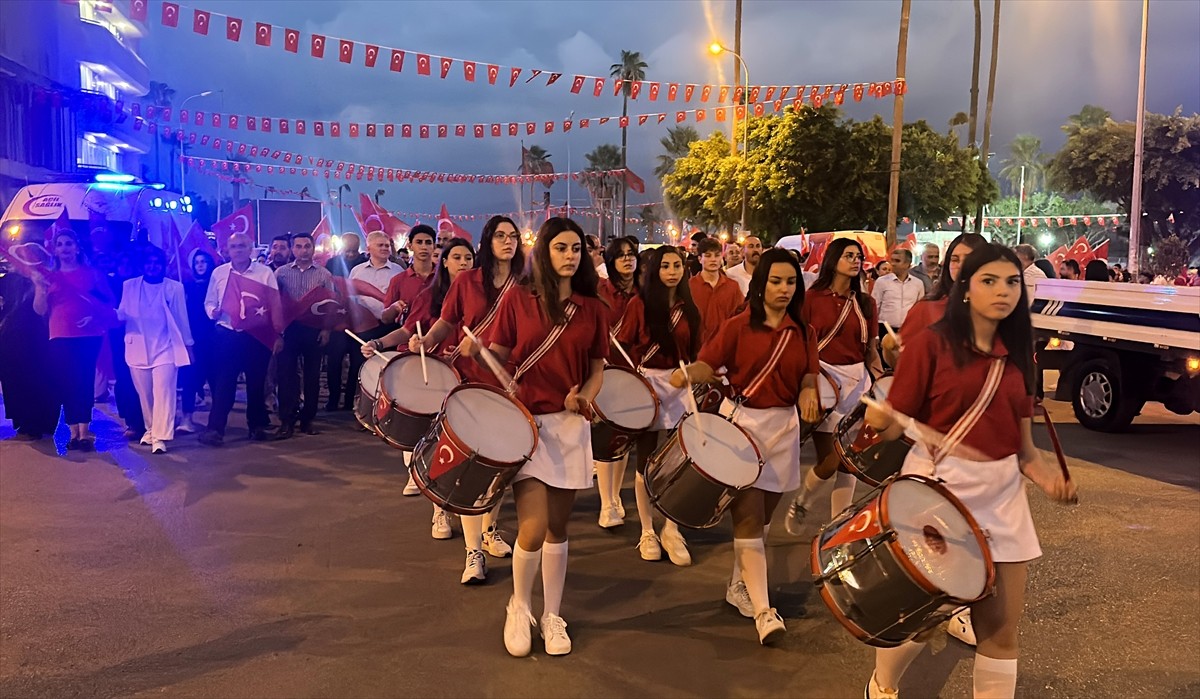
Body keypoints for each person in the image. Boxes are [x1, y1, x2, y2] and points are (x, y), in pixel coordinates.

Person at [861, 243, 1075, 699]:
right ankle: (882, 686)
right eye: (989, 281)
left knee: (1000, 631)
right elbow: (890, 426)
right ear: (965, 289)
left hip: (1002, 499)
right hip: (938, 492)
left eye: (1012, 281)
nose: (1003, 290)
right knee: (923, 617)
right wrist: (881, 420)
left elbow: (1025, 453)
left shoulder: (1019, 355)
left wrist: (1048, 481)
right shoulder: (931, 344)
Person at [672, 248, 821, 644]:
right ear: (760, 284)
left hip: (783, 431)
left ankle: (739, 584)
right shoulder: (738, 326)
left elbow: (809, 374)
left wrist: (810, 392)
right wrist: (688, 373)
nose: (784, 289)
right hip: (743, 426)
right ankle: (763, 610)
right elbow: (708, 363)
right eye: (776, 281)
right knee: (749, 518)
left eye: (791, 282)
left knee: (765, 520)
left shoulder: (803, 331)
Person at [482, 217, 608, 658]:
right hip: (526, 425)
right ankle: (520, 605)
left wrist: (585, 397)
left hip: (569, 427)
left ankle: (553, 613)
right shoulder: (518, 299)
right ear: (544, 253)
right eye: (561, 248)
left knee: (558, 527)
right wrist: (501, 389)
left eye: (577, 248)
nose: (570, 255)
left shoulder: (593, 308)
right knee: (532, 526)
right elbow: (495, 358)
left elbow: (596, 369)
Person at [408, 217, 523, 580]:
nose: (508, 242)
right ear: (487, 242)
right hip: (471, 381)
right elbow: (446, 321)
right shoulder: (467, 281)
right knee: (470, 469)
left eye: (513, 236)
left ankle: (490, 530)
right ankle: (473, 551)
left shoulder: (528, 284)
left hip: (513, 383)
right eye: (501, 236)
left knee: (502, 467)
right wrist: (427, 342)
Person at [367, 237, 476, 540]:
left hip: (473, 377)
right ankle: (439, 510)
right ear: (446, 263)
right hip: (438, 377)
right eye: (457, 257)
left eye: (469, 258)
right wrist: (381, 343)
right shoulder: (430, 296)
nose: (464, 263)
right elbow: (407, 329)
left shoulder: (485, 296)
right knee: (439, 445)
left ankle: (481, 523)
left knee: (471, 448)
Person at [785, 238, 881, 533]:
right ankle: (803, 499)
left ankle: (838, 526)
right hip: (822, 381)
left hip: (858, 385)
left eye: (858, 256)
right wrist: (806, 385)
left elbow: (871, 350)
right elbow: (799, 343)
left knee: (849, 460)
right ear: (833, 260)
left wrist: (882, 381)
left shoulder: (866, 303)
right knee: (831, 458)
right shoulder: (811, 299)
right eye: (848, 255)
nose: (855, 261)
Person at [614, 246, 702, 567]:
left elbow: (696, 352)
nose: (672, 271)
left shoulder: (689, 308)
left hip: (680, 386)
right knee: (646, 461)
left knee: (678, 461)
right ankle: (647, 530)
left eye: (677, 265)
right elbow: (620, 346)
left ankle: (672, 528)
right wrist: (629, 385)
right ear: (654, 271)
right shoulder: (639, 305)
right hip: (648, 385)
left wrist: (691, 375)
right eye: (665, 266)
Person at [32, 228, 115, 452]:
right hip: (59, 335)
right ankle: (72, 431)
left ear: (77, 248)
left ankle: (84, 432)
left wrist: (93, 317)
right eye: (60, 244)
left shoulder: (92, 273)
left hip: (89, 336)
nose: (64, 248)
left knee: (83, 381)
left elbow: (108, 302)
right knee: (67, 383)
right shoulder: (49, 277)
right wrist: (39, 288)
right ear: (55, 250)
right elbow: (40, 310)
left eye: (69, 243)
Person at [199, 233, 283, 446]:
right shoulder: (219, 273)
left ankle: (256, 426)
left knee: (256, 383)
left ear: (251, 248)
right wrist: (213, 312)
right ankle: (215, 429)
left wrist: (278, 334)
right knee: (223, 383)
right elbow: (209, 301)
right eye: (234, 246)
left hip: (257, 335)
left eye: (242, 246)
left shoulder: (264, 273)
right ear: (227, 249)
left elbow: (275, 304)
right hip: (227, 335)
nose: (238, 250)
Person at [117, 247, 193, 454]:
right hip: (137, 347)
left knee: (164, 392)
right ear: (143, 265)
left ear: (163, 265)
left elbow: (181, 319)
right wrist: (102, 313)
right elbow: (122, 313)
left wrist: (188, 345)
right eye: (149, 262)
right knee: (146, 395)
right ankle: (150, 430)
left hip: (166, 348)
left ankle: (160, 436)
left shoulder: (174, 288)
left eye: (157, 262)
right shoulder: (130, 286)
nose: (153, 266)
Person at [594, 235, 640, 527]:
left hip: (633, 372)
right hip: (604, 371)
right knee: (604, 439)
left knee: (624, 438)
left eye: (631, 254)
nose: (627, 259)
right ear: (610, 261)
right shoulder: (599, 291)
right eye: (621, 255)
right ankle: (605, 503)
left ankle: (615, 496)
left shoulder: (645, 292)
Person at [273, 232, 335, 439]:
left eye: (306, 246)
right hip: (289, 330)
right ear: (292, 249)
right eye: (298, 246)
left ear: (313, 248)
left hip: (314, 330)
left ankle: (308, 419)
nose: (302, 250)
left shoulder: (324, 274)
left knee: (312, 377)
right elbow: (273, 303)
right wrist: (276, 333)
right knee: (286, 375)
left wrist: (326, 329)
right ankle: (286, 420)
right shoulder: (280, 273)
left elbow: (331, 305)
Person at [345, 231, 405, 410]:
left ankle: (384, 407)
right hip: (364, 327)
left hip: (390, 327)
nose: (385, 248)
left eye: (387, 245)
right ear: (369, 248)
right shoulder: (357, 271)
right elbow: (350, 296)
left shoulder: (398, 270)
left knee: (388, 366)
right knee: (359, 366)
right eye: (380, 245)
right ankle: (356, 406)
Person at [0, 261, 57, 440]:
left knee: (40, 378)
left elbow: (43, 310)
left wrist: (39, 285)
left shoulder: (45, 278)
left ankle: (41, 422)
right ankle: (24, 421)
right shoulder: (8, 280)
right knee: (14, 379)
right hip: (11, 337)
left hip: (39, 337)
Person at [323, 233, 369, 410]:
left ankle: (350, 400)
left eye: (354, 250)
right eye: (347, 250)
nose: (350, 254)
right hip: (337, 319)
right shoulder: (332, 263)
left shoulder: (364, 264)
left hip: (360, 321)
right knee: (334, 362)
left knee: (357, 363)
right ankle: (333, 398)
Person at [106, 250, 147, 440]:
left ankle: (146, 421)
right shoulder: (111, 284)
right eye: (121, 263)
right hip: (118, 337)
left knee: (143, 380)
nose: (124, 267)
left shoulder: (141, 284)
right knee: (124, 380)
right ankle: (133, 421)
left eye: (128, 263)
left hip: (142, 335)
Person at [179, 251, 215, 434]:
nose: (200, 265)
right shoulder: (187, 286)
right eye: (197, 262)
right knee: (190, 379)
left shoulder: (216, 284)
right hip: (193, 338)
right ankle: (187, 418)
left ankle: (216, 421)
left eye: (204, 262)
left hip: (214, 339)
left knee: (216, 380)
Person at [689, 237, 743, 345]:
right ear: (700, 259)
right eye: (708, 256)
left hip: (726, 346)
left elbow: (740, 317)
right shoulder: (690, 286)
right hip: (697, 348)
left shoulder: (733, 286)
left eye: (717, 255)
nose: (713, 259)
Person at [870, 248, 924, 349]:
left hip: (908, 331)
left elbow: (919, 311)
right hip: (885, 329)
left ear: (908, 264)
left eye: (897, 261)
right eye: (892, 260)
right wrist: (875, 335)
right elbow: (874, 308)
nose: (893, 264)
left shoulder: (918, 284)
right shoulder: (882, 282)